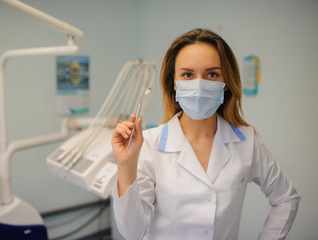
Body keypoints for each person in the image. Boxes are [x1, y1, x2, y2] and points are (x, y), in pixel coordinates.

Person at [111, 28, 300, 240]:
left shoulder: (246, 142)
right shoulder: (149, 144)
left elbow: (286, 199)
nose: (199, 84)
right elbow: (132, 233)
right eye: (187, 74)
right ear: (174, 83)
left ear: (225, 82)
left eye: (212, 74)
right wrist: (126, 164)